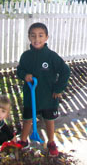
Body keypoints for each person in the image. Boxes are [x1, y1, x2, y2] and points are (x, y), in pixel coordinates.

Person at [17, 22, 70, 157]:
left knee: (49, 119)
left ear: (46, 37)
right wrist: (25, 75)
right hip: (31, 95)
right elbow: (19, 70)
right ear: (29, 37)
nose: (37, 39)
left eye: (41, 35)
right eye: (33, 36)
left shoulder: (51, 56)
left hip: (48, 96)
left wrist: (59, 88)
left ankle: (51, 142)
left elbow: (65, 71)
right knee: (28, 118)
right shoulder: (26, 56)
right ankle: (23, 141)